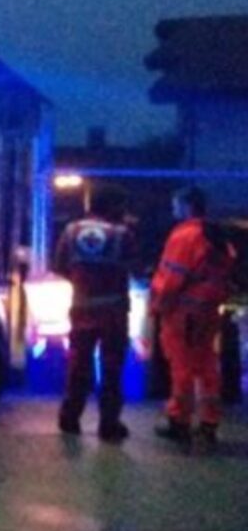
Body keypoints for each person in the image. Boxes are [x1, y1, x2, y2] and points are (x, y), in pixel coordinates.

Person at [151, 186, 235, 447]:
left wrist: (158, 306)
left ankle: (180, 420)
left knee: (182, 366)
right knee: (207, 365)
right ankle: (209, 421)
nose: (173, 209)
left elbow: (171, 278)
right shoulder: (216, 236)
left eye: (175, 205)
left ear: (187, 205)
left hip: (183, 313)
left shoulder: (185, 236)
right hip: (208, 311)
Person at [54, 184, 137, 442]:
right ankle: (109, 424)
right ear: (113, 206)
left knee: (78, 365)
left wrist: (82, 282)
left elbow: (60, 266)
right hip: (113, 312)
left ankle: (70, 417)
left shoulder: (71, 231)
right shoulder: (122, 234)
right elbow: (132, 266)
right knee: (112, 368)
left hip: (81, 308)